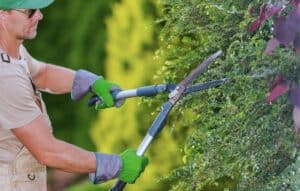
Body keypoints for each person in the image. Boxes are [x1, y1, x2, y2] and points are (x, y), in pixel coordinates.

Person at [0, 0, 148, 190]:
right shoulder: (5, 76)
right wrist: (116, 165)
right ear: (3, 15)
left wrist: (91, 82)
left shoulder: (12, 49)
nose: (40, 15)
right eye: (30, 12)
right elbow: (47, 151)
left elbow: (41, 74)